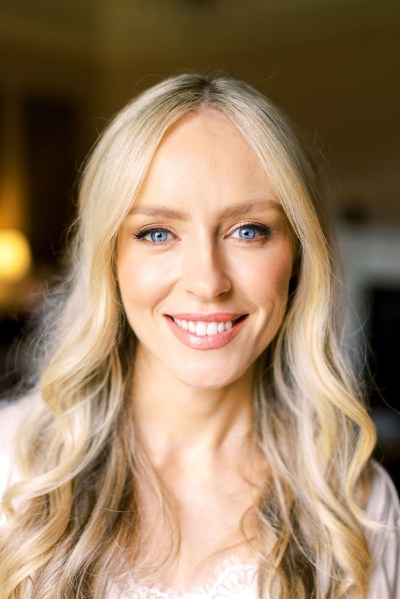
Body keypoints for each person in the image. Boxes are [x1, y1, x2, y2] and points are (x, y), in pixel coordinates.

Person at [0, 73, 399, 599]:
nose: (208, 282)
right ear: (110, 260)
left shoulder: (358, 506)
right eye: (157, 233)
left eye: (248, 230)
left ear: (298, 257)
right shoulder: (12, 465)